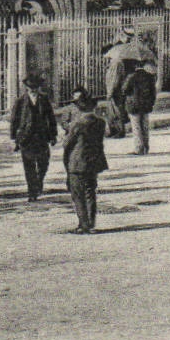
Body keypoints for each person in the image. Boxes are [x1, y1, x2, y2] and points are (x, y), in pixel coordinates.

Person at [62, 87, 109, 234]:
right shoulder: (100, 122)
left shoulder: (77, 124)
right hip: (93, 162)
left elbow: (67, 143)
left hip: (77, 163)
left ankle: (83, 224)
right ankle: (91, 222)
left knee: (78, 194)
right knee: (90, 191)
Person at [10, 73, 58, 202]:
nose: (33, 89)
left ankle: (39, 180)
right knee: (29, 165)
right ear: (26, 87)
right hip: (26, 138)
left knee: (43, 163)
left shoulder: (44, 99)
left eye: (35, 87)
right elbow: (14, 120)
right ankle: (32, 191)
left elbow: (51, 118)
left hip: (42, 136)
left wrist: (53, 135)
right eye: (31, 87)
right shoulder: (20, 101)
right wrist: (13, 138)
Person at [124, 58, 157, 154]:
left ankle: (139, 148)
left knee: (136, 127)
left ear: (135, 66)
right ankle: (146, 147)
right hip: (146, 105)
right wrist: (151, 103)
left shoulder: (131, 77)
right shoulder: (150, 77)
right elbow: (153, 93)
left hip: (134, 105)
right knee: (145, 126)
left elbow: (124, 89)